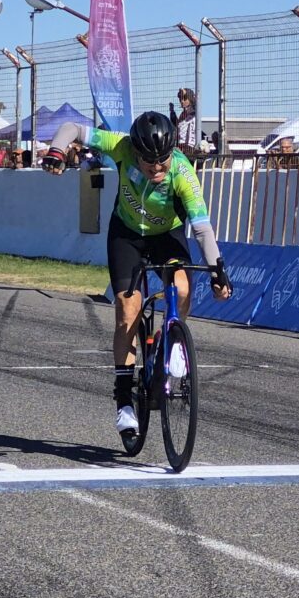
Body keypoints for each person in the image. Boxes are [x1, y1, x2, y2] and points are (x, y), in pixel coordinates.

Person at [41, 111, 231, 437]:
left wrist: (218, 271)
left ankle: (174, 344)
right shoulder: (121, 146)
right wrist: (56, 151)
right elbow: (71, 128)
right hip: (127, 235)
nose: (157, 168)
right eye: (149, 162)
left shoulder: (182, 172)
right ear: (135, 151)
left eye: (163, 161)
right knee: (128, 310)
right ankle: (124, 401)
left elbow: (201, 229)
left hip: (166, 236)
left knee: (183, 288)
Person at [170, 88, 199, 159]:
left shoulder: (194, 111)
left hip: (190, 146)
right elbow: (177, 124)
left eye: (185, 98)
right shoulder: (183, 114)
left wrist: (186, 93)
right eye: (180, 99)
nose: (182, 101)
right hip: (180, 145)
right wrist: (172, 111)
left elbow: (195, 105)